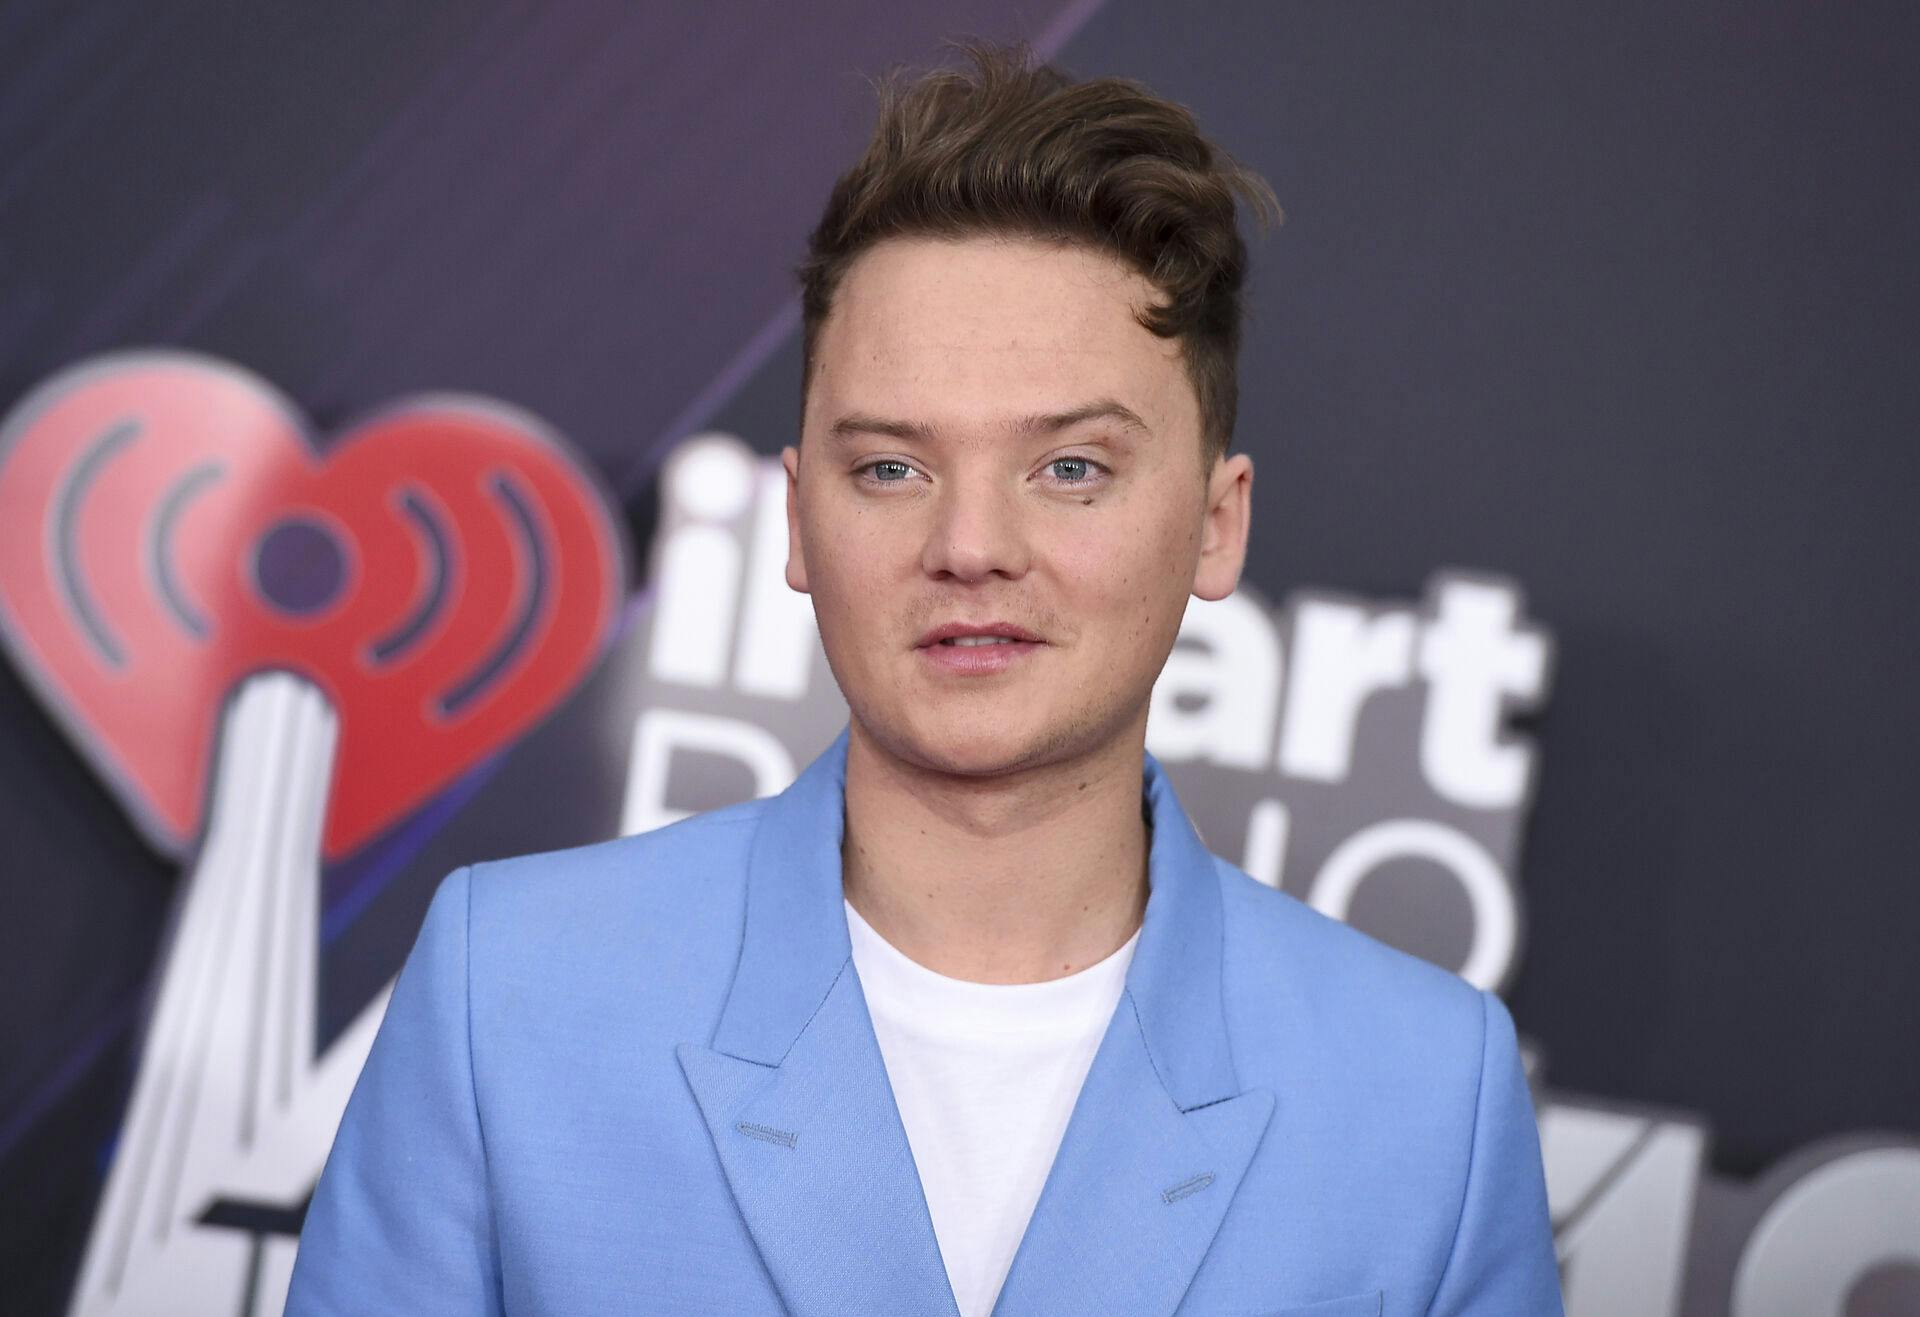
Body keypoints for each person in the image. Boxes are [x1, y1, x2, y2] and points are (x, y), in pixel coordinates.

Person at [286, 41, 1562, 1317]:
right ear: (795, 519)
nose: (971, 548)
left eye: (1071, 469)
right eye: (893, 467)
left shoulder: (1424, 1096)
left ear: (1217, 525)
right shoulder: (507, 991)